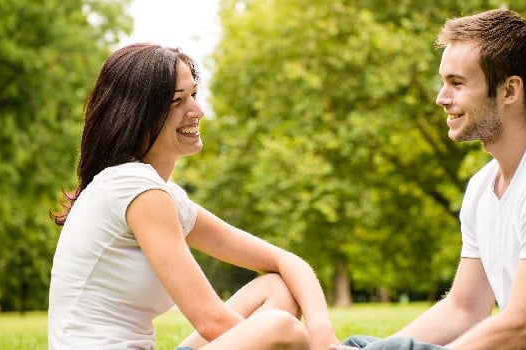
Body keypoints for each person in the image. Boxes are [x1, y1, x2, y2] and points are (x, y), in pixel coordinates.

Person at [332, 8, 526, 350]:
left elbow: (524, 331)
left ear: (510, 90)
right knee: (360, 345)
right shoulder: (483, 187)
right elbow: (464, 309)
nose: (442, 98)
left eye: (456, 83)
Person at [48, 43, 340, 350]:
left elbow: (285, 261)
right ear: (138, 113)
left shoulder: (157, 193)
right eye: (177, 101)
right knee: (281, 328)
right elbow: (210, 320)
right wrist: (283, 340)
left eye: (194, 95)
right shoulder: (133, 187)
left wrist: (321, 332)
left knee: (275, 289)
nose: (198, 111)